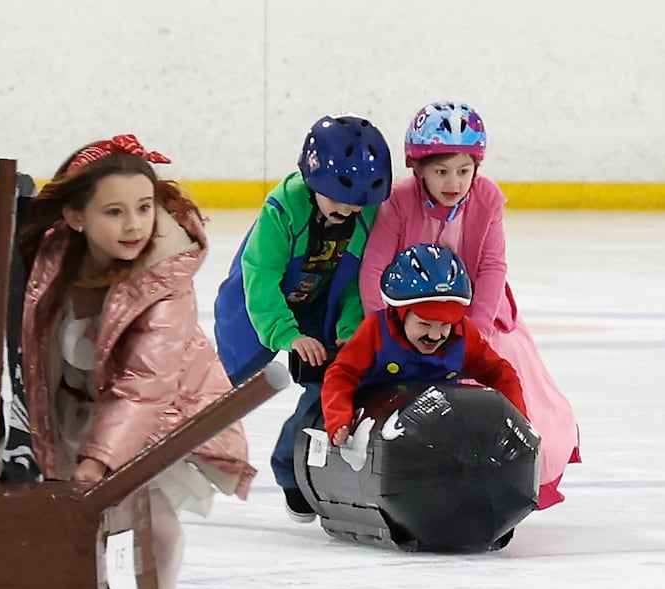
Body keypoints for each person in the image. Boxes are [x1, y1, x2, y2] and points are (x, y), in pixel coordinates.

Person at [18, 134, 255, 589]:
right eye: (115, 211)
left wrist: (98, 466)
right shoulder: (45, 257)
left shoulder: (166, 274)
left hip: (154, 423)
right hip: (68, 419)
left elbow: (144, 387)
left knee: (157, 541)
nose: (135, 226)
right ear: (75, 217)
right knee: (61, 553)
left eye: (145, 208)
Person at [359, 101, 579, 508]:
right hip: (412, 321)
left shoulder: (488, 198)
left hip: (478, 317)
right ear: (418, 168)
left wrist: (475, 331)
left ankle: (507, 473)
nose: (454, 182)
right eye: (441, 171)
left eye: (464, 170)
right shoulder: (399, 201)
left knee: (499, 372)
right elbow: (374, 268)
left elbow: (493, 266)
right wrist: (382, 329)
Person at [212, 115, 393, 523]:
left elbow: (355, 281)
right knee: (223, 386)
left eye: (359, 202)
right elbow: (260, 276)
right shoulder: (282, 208)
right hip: (255, 305)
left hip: (319, 306)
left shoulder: (365, 213)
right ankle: (172, 445)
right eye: (340, 198)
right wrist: (286, 334)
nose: (350, 209)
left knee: (333, 380)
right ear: (313, 182)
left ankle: (290, 469)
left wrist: (349, 329)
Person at [322, 243, 527, 445]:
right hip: (380, 416)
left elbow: (500, 372)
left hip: (438, 423)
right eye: (424, 324)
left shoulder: (465, 333)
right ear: (400, 314)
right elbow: (342, 375)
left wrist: (518, 423)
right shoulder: (375, 330)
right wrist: (339, 419)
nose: (435, 335)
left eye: (445, 324)